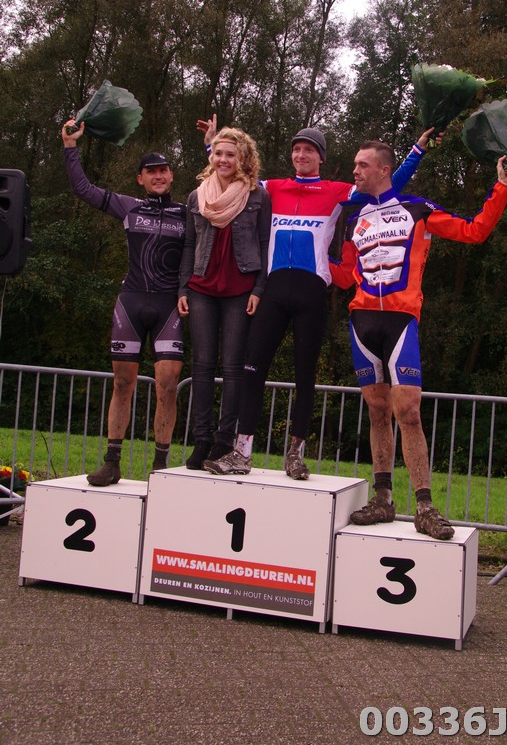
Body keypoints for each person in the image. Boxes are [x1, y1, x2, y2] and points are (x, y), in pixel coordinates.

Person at [200, 119, 438, 479]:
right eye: (297, 149)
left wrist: (417, 150)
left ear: (320, 157)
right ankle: (241, 452)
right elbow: (228, 174)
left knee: (305, 375)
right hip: (274, 289)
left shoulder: (337, 191)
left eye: (309, 150)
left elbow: (389, 184)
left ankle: (295, 455)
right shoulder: (272, 187)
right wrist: (211, 146)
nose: (301, 155)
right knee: (253, 368)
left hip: (311, 292)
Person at [329, 140, 507, 540]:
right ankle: (383, 499)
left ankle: (425, 507)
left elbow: (474, 231)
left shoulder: (417, 209)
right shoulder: (352, 217)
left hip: (401, 321)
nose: (355, 171)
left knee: (409, 412)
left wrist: (502, 186)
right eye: (355, 165)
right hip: (362, 321)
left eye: (362, 165)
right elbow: (344, 275)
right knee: (377, 411)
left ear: (384, 170)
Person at [61, 120, 186, 485]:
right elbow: (83, 189)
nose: (158, 176)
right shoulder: (129, 207)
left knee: (168, 382)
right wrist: (70, 146)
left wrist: (212, 148)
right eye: (151, 171)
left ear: (171, 175)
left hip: (168, 306)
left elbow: (221, 197)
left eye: (163, 170)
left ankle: (160, 466)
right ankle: (112, 461)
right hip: (131, 302)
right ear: (140, 179)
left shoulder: (187, 212)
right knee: (122, 383)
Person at [177, 127, 271, 469]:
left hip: (240, 288)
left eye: (231, 154)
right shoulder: (197, 197)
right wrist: (182, 288)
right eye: (218, 153)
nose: (223, 159)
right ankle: (201, 439)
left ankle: (223, 441)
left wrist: (259, 289)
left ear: (243, 158)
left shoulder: (258, 196)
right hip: (201, 286)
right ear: (211, 156)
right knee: (202, 365)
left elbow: (265, 244)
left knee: (233, 367)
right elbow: (189, 244)